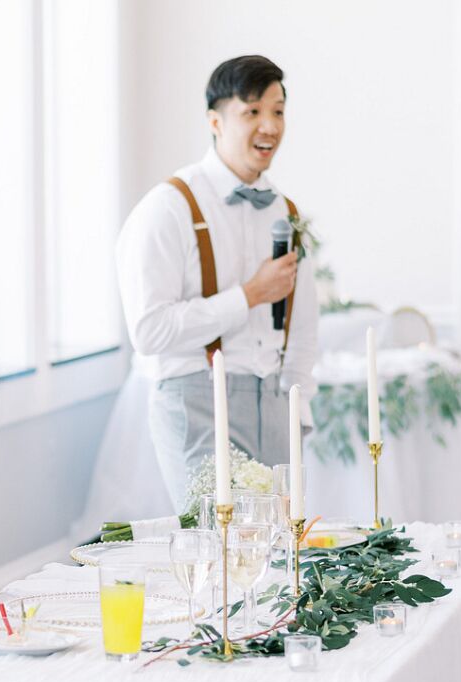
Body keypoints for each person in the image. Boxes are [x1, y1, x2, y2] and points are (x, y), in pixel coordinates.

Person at [116, 55, 318, 514]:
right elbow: (149, 331)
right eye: (252, 112)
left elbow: (304, 327)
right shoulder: (168, 207)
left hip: (275, 402)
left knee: (279, 553)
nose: (269, 126)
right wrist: (248, 295)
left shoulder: (284, 210)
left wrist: (297, 410)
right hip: (198, 399)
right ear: (215, 120)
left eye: (279, 111)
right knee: (218, 549)